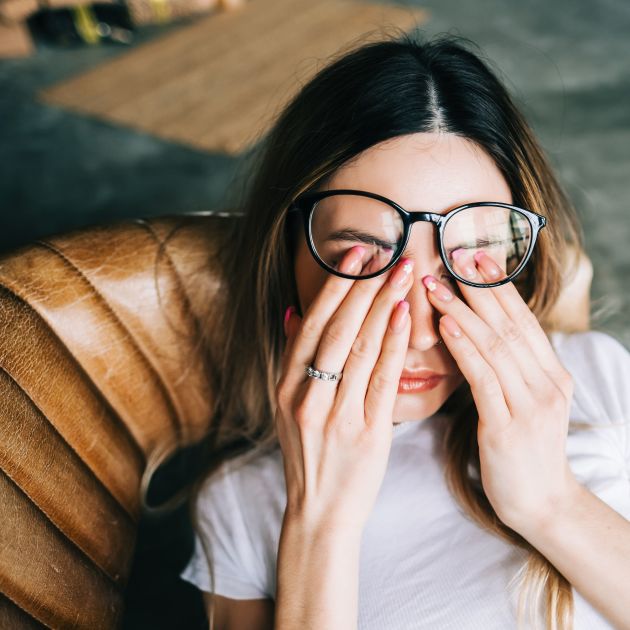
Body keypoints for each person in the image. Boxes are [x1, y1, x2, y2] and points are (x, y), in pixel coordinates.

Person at [178, 32, 630, 630]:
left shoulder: (596, 375)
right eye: (365, 261)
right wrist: (321, 523)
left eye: (471, 260)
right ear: (287, 259)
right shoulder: (242, 501)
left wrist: (550, 502)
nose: (419, 331)